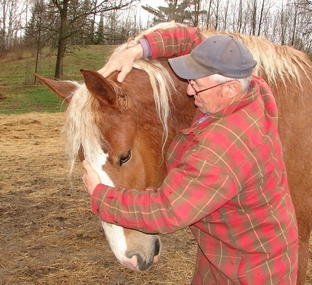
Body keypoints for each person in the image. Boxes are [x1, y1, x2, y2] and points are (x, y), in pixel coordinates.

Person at [83, 24, 298, 284]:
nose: (188, 91)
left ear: (229, 89)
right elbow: (194, 39)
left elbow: (168, 209)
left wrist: (101, 196)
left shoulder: (224, 146)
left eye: (197, 85)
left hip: (249, 271)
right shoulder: (251, 87)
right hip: (227, 250)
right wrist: (139, 49)